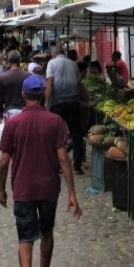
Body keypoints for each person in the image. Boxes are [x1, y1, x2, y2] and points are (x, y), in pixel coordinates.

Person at [0, 75, 82, 267]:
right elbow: (64, 158)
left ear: (24, 96)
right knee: (46, 233)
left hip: (23, 189)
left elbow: (4, 161)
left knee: (25, 238)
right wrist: (73, 193)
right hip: (48, 188)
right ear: (44, 94)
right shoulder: (56, 122)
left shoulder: (13, 123)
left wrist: (2, 190)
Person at [45, 47, 85, 175]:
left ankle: (56, 164)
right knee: (76, 134)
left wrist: (47, 103)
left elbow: (50, 83)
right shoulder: (73, 64)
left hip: (57, 103)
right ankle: (77, 165)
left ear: (54, 53)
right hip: (73, 103)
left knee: (55, 134)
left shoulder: (51, 63)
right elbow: (79, 84)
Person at [0, 50, 28, 140]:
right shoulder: (27, 76)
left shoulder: (2, 77)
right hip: (25, 112)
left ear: (8, 61)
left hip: (9, 112)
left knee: (10, 140)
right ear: (19, 60)